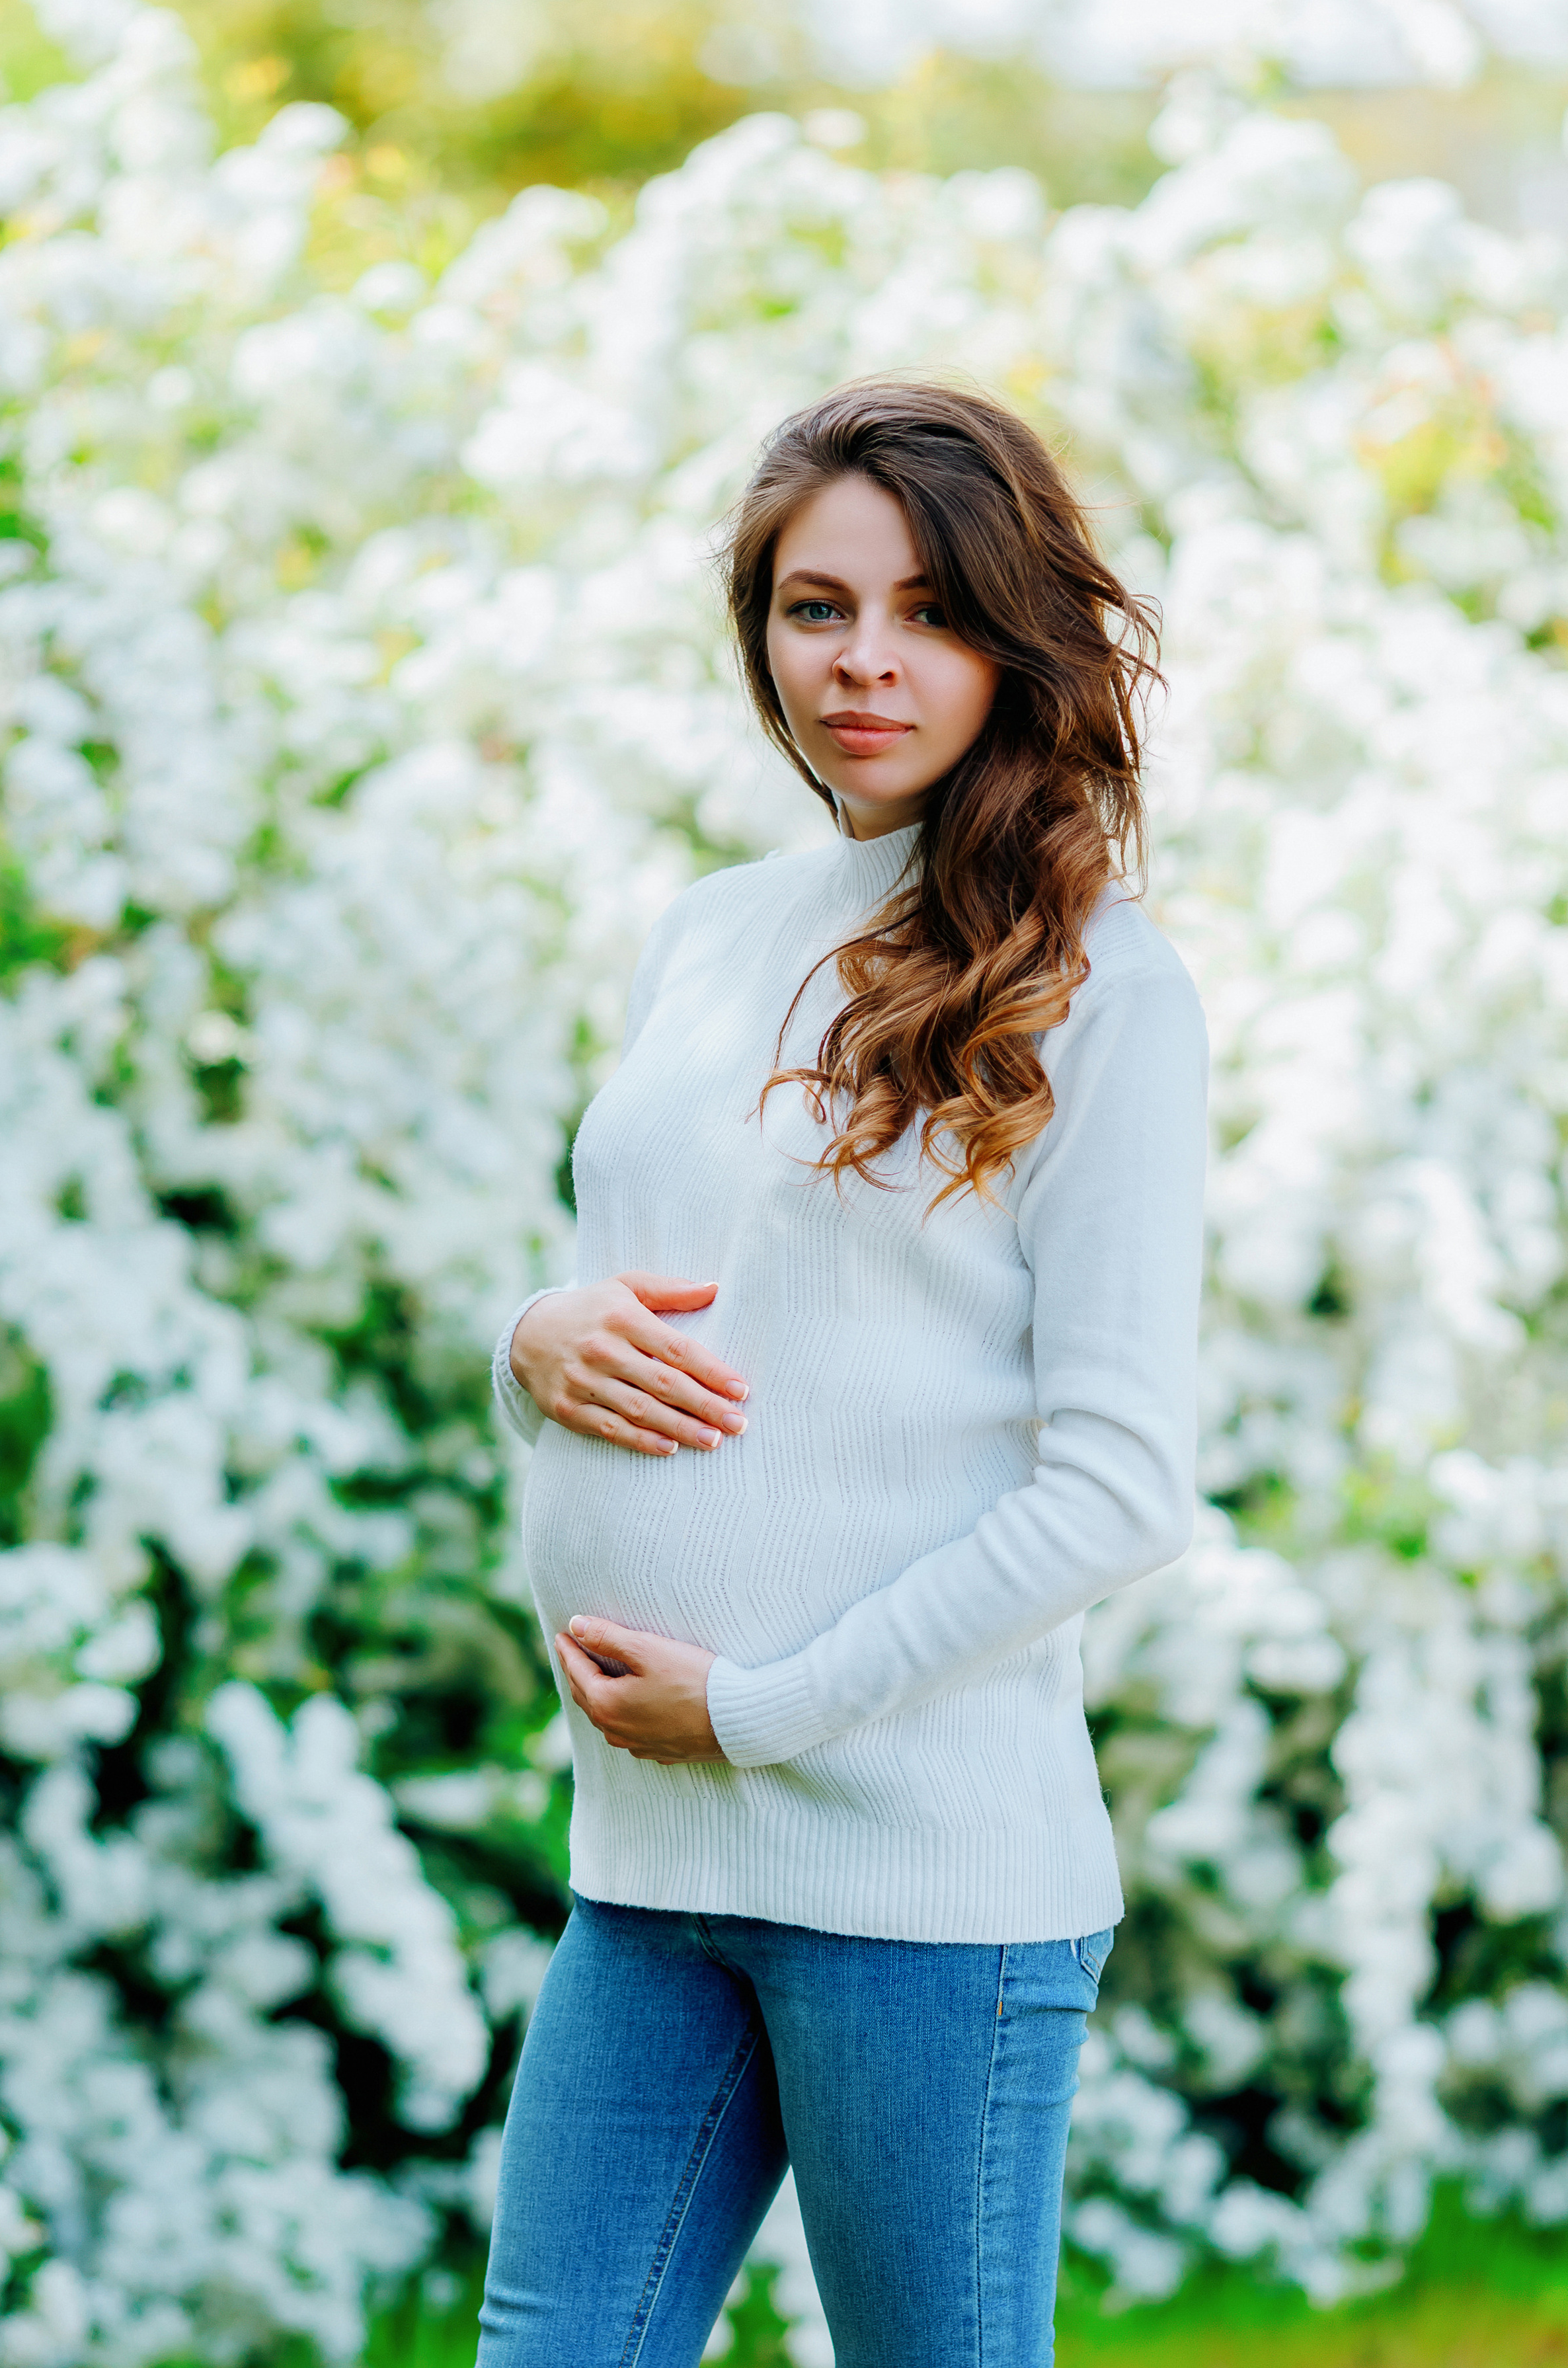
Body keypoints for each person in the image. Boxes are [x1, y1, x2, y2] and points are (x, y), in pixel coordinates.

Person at [477, 379, 1208, 2367]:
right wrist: (526, 1345)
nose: (865, 661)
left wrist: (771, 1707)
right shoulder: (711, 935)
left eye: (929, 612)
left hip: (924, 1879)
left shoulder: (1107, 988)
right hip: (651, 1860)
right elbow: (661, 1294)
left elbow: (1123, 1481)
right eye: (815, 607)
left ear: (1015, 645)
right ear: (760, 633)